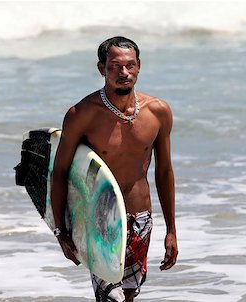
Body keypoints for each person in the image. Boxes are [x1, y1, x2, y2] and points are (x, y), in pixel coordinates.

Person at [50, 36, 178, 302]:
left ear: (139, 66)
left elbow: (164, 172)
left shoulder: (158, 112)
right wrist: (61, 231)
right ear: (101, 68)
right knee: (111, 299)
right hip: (100, 220)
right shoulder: (82, 114)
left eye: (130, 65)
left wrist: (171, 230)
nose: (124, 73)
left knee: (129, 296)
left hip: (141, 217)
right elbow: (60, 173)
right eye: (115, 66)